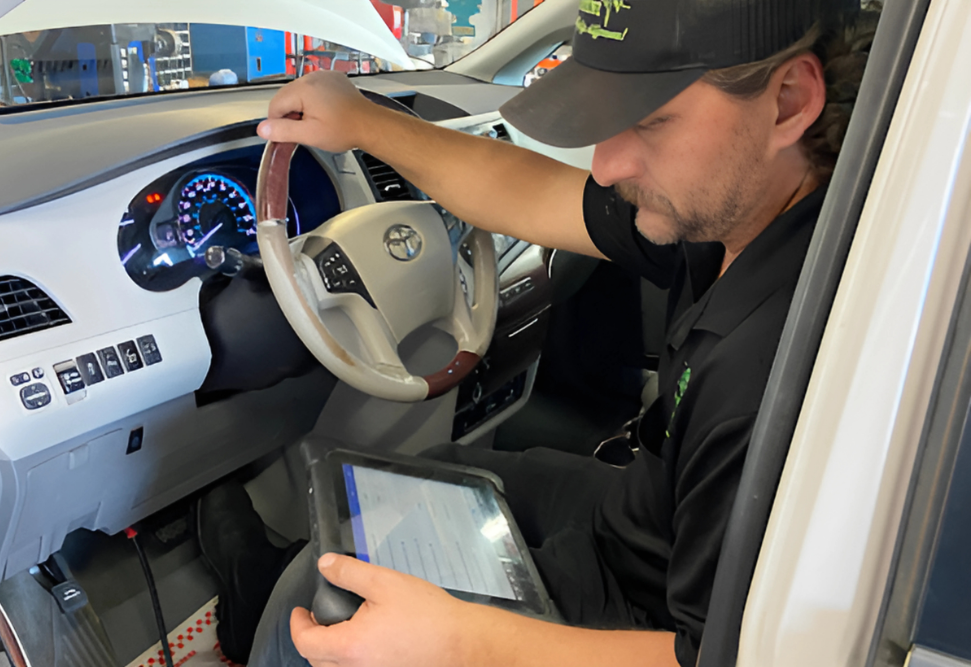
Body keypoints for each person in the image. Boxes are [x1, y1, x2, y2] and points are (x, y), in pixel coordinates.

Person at [197, 0, 878, 665]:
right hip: (639, 518)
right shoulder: (743, 205)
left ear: (789, 101)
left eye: (648, 120)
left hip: (640, 616)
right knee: (429, 481)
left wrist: (460, 645)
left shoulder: (772, 368)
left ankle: (263, 615)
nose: (608, 165)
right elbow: (532, 192)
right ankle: (263, 595)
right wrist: (367, 124)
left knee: (319, 611)